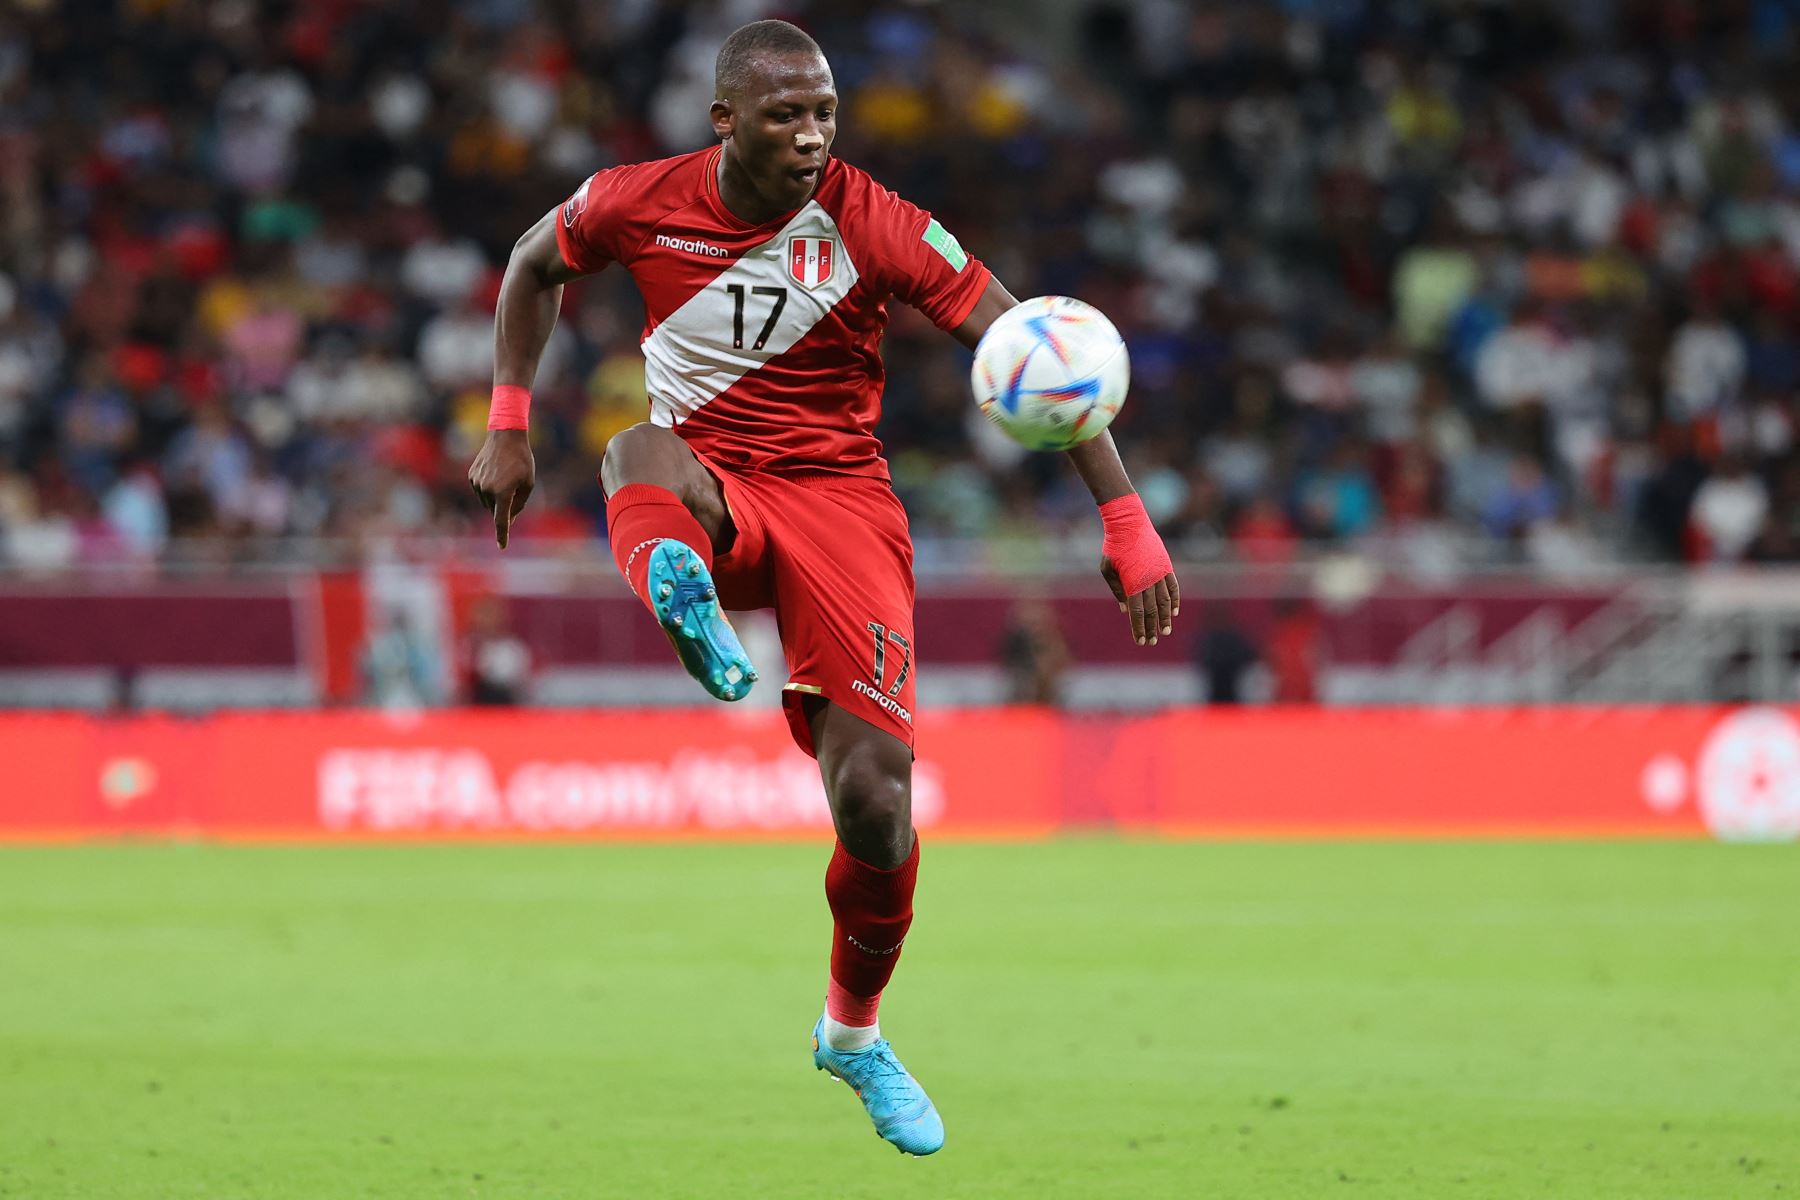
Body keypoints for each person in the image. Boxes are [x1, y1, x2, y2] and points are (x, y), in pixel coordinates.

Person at [467, 19, 1178, 1156]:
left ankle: (853, 1034)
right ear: (725, 122)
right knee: (631, 452)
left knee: (877, 806)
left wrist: (1125, 512)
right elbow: (529, 263)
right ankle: (683, 593)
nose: (811, 137)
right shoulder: (635, 200)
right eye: (787, 115)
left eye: (825, 114)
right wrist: (508, 423)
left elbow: (1026, 340)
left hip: (843, 507)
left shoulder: (874, 220)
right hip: (717, 483)